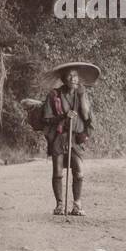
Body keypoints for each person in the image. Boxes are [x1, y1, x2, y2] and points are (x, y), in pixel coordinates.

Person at [40, 62, 99, 216]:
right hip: (59, 137)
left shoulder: (81, 94)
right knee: (58, 172)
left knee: (79, 172)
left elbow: (87, 117)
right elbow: (46, 119)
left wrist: (82, 96)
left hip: (76, 138)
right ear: (63, 79)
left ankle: (77, 205)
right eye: (70, 76)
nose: (73, 79)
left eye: (75, 76)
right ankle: (60, 205)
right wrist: (63, 117)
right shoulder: (54, 96)